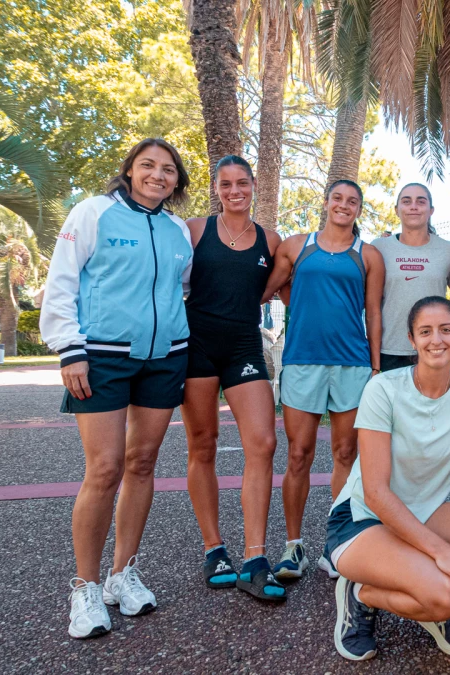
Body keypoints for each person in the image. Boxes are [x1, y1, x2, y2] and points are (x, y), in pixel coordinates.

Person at [40, 138, 193, 639]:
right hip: (101, 357)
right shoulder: (93, 213)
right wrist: (69, 348)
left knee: (143, 464)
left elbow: (179, 288)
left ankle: (121, 574)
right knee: (104, 469)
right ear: (129, 171)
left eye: (168, 169)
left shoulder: (176, 231)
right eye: (147, 165)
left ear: (177, 181)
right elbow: (62, 281)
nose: (158, 175)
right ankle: (83, 588)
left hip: (164, 358)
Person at [327, 296, 450, 661]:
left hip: (425, 511)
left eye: (446, 330)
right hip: (362, 520)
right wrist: (444, 553)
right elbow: (374, 492)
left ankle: (425, 585)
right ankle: (360, 593)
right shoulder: (383, 389)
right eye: (425, 331)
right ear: (411, 339)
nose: (436, 340)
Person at [261, 180, 386, 582]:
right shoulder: (297, 246)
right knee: (299, 453)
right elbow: (270, 288)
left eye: (352, 201)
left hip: (352, 363)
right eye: (337, 198)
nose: (343, 205)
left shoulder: (368, 255)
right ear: (326, 202)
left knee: (346, 455)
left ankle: (337, 546)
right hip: (302, 361)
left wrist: (377, 366)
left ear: (359, 209)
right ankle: (293, 546)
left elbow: (373, 312)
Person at [180, 155, 284, 602]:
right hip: (197, 346)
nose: (235, 190)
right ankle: (214, 549)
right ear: (216, 187)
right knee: (202, 445)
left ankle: (256, 558)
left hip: (244, 344)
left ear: (254, 185)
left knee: (262, 442)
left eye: (243, 183)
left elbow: (276, 287)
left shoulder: (269, 239)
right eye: (226, 184)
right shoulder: (194, 230)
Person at [371, 183, 450, 372]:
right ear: (397, 210)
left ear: (431, 210)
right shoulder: (379, 248)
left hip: (433, 348)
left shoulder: (448, 250)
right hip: (390, 350)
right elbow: (369, 303)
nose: (413, 206)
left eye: (420, 201)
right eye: (406, 201)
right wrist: (374, 365)